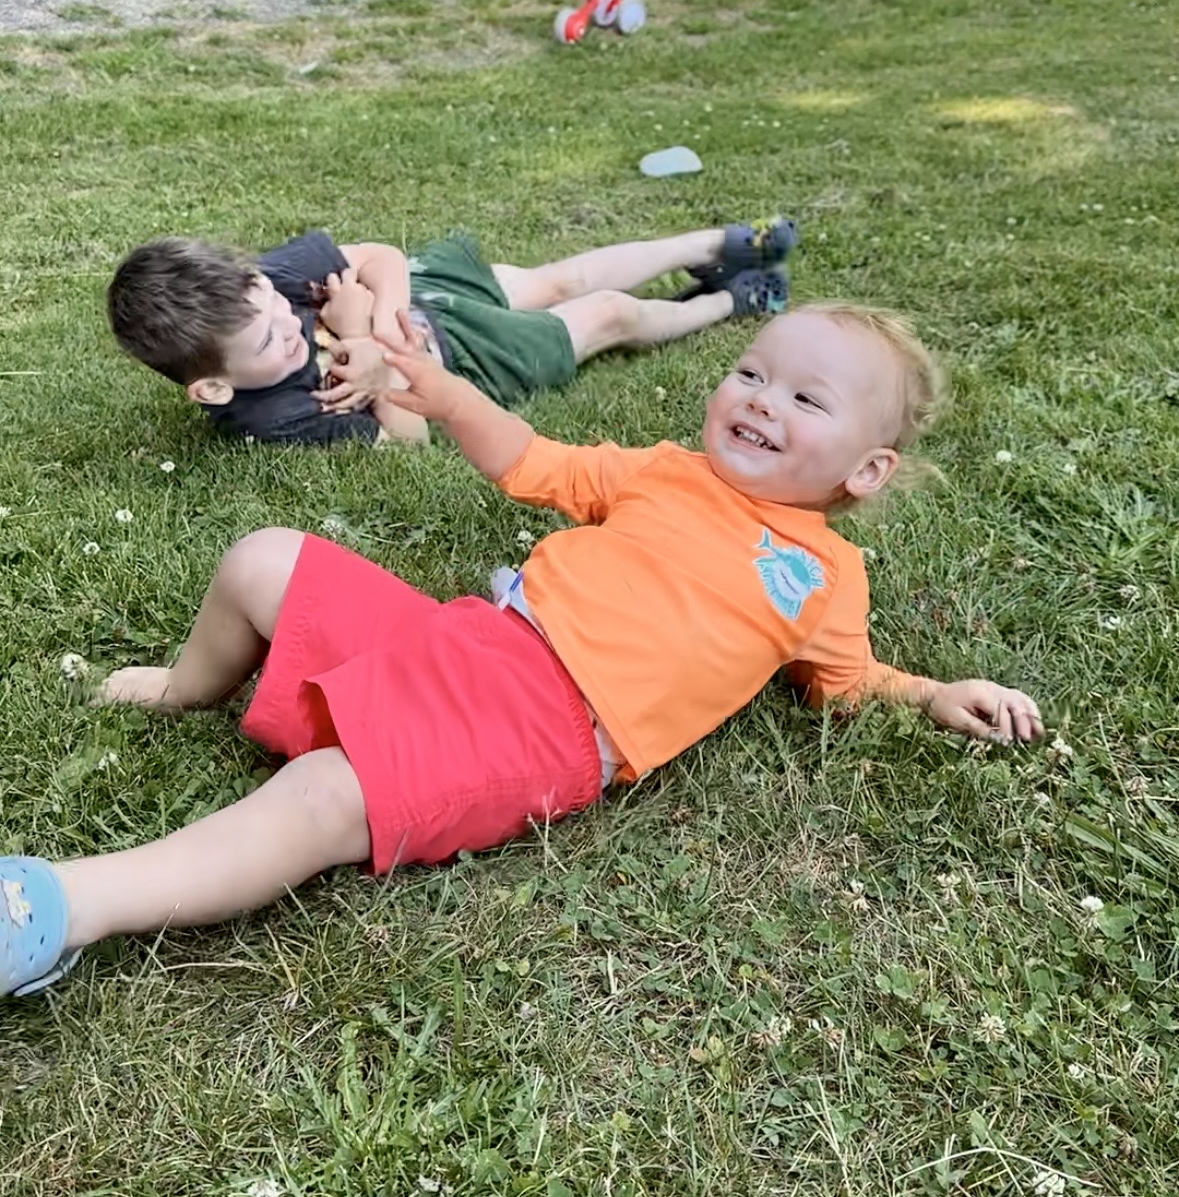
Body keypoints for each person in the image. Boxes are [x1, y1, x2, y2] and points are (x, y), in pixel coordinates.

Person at [0, 300, 1042, 999]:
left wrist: (931, 690)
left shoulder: (825, 577)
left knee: (321, 795)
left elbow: (845, 683)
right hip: (473, 637)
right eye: (751, 372)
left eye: (806, 399)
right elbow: (532, 461)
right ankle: (187, 689)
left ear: (867, 470)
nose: (762, 399)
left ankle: (62, 905)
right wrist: (449, 396)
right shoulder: (663, 471)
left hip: (550, 726)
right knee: (265, 555)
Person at [106, 221, 797, 446]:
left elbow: (379, 257)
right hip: (464, 361)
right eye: (268, 343)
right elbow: (411, 438)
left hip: (431, 297)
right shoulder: (275, 414)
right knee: (609, 313)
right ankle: (722, 303)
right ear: (213, 386)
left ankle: (712, 245)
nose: (287, 323)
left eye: (281, 311)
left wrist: (380, 316)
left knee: (556, 281)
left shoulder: (256, 287)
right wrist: (369, 354)